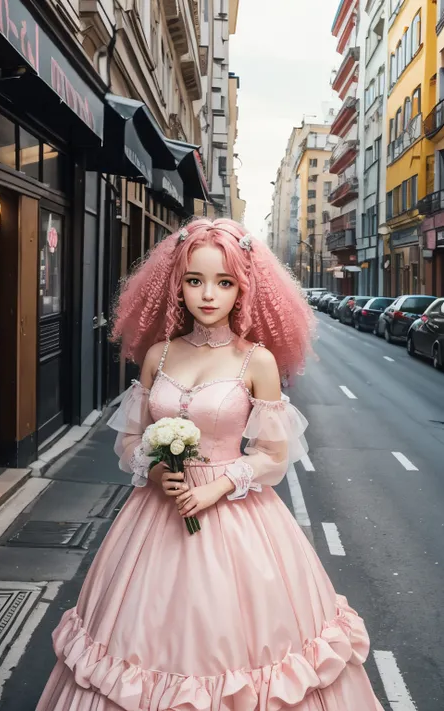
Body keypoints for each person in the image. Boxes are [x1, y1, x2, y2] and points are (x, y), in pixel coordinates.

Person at [36, 219, 383, 711]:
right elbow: (132, 440)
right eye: (194, 280)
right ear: (176, 284)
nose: (208, 294)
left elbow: (272, 457)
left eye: (224, 283)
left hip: (234, 517)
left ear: (243, 289)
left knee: (234, 641)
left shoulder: (256, 361)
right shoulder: (158, 355)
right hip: (155, 513)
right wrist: (155, 470)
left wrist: (215, 488)